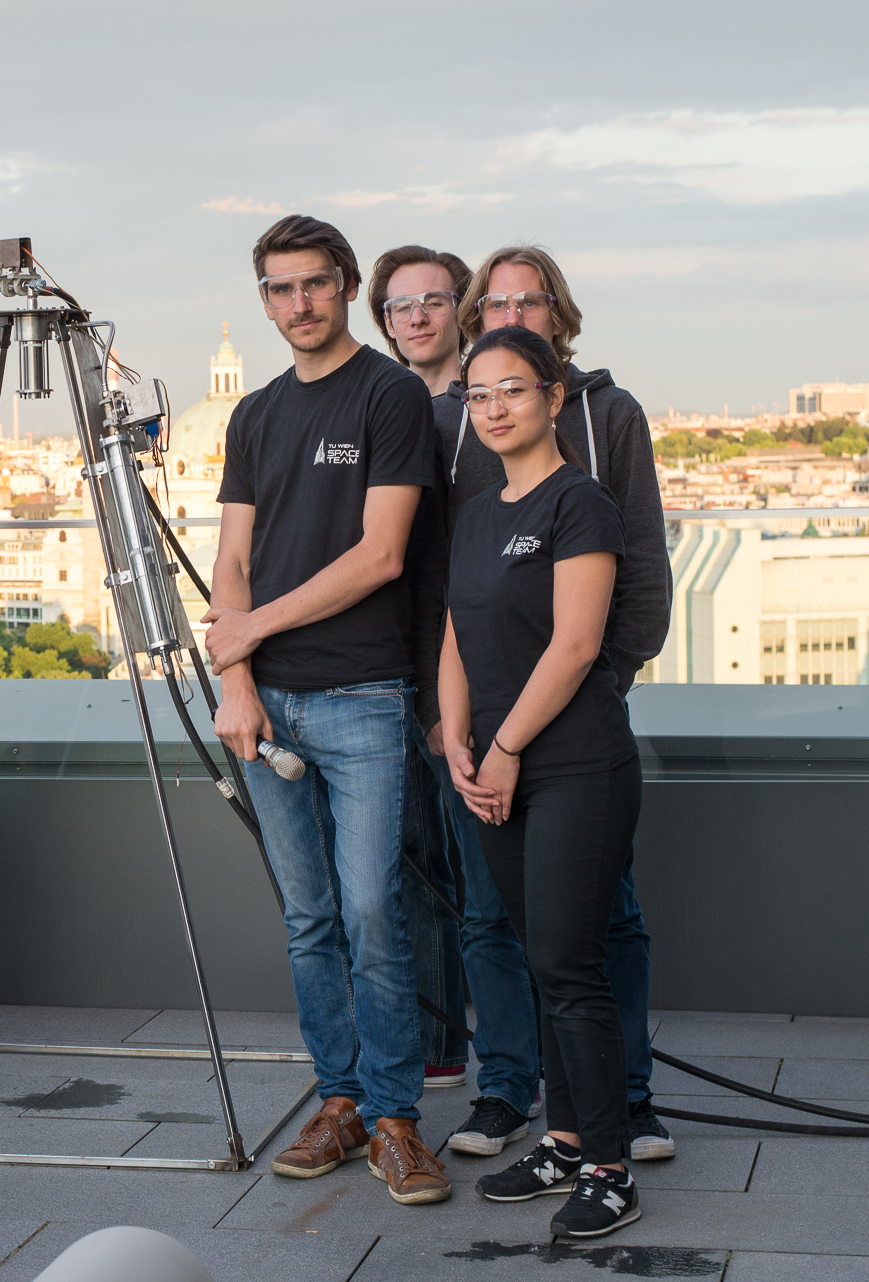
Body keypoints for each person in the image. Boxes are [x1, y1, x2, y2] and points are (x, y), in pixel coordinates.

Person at [205, 215, 450, 1207]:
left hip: (363, 696)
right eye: (279, 288)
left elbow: (382, 555)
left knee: (374, 912)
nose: (298, 303)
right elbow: (231, 559)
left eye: (314, 283)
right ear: (264, 301)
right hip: (267, 703)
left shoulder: (390, 394)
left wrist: (249, 628)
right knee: (309, 920)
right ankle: (340, 1102)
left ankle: (396, 1119)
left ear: (347, 286)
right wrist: (237, 682)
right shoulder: (255, 415)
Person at [443, 245, 675, 1164]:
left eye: (513, 391)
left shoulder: (585, 489)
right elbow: (456, 628)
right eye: (480, 395)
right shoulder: (476, 507)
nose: (495, 407)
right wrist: (459, 740)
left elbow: (581, 640)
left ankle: (610, 1154)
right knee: (539, 953)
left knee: (578, 956)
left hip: (570, 751)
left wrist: (507, 744)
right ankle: (564, 1134)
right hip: (495, 758)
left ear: (553, 391)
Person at [368, 245, 472, 1093]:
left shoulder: (492, 406)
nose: (417, 317)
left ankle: (512, 1054)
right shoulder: (381, 407)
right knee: (411, 865)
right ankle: (441, 1043)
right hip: (386, 669)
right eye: (401, 306)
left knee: (480, 871)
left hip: (468, 673)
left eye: (434, 299)